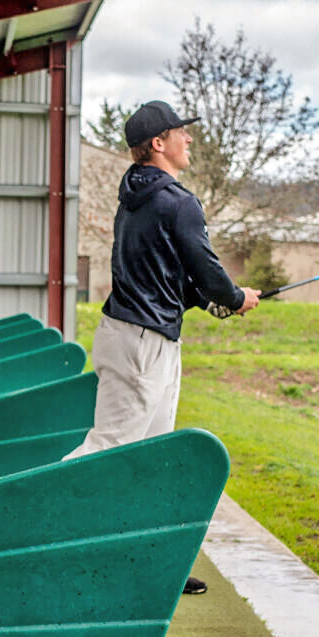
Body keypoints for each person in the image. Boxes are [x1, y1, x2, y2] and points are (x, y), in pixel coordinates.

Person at [66, 100, 259, 594]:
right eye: (180, 132)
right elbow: (206, 268)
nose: (189, 139)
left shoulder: (134, 199)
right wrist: (235, 298)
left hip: (141, 336)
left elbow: (166, 274)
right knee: (109, 447)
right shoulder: (178, 201)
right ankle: (43, 530)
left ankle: (149, 566)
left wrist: (209, 300)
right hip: (142, 343)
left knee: (152, 458)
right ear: (158, 143)